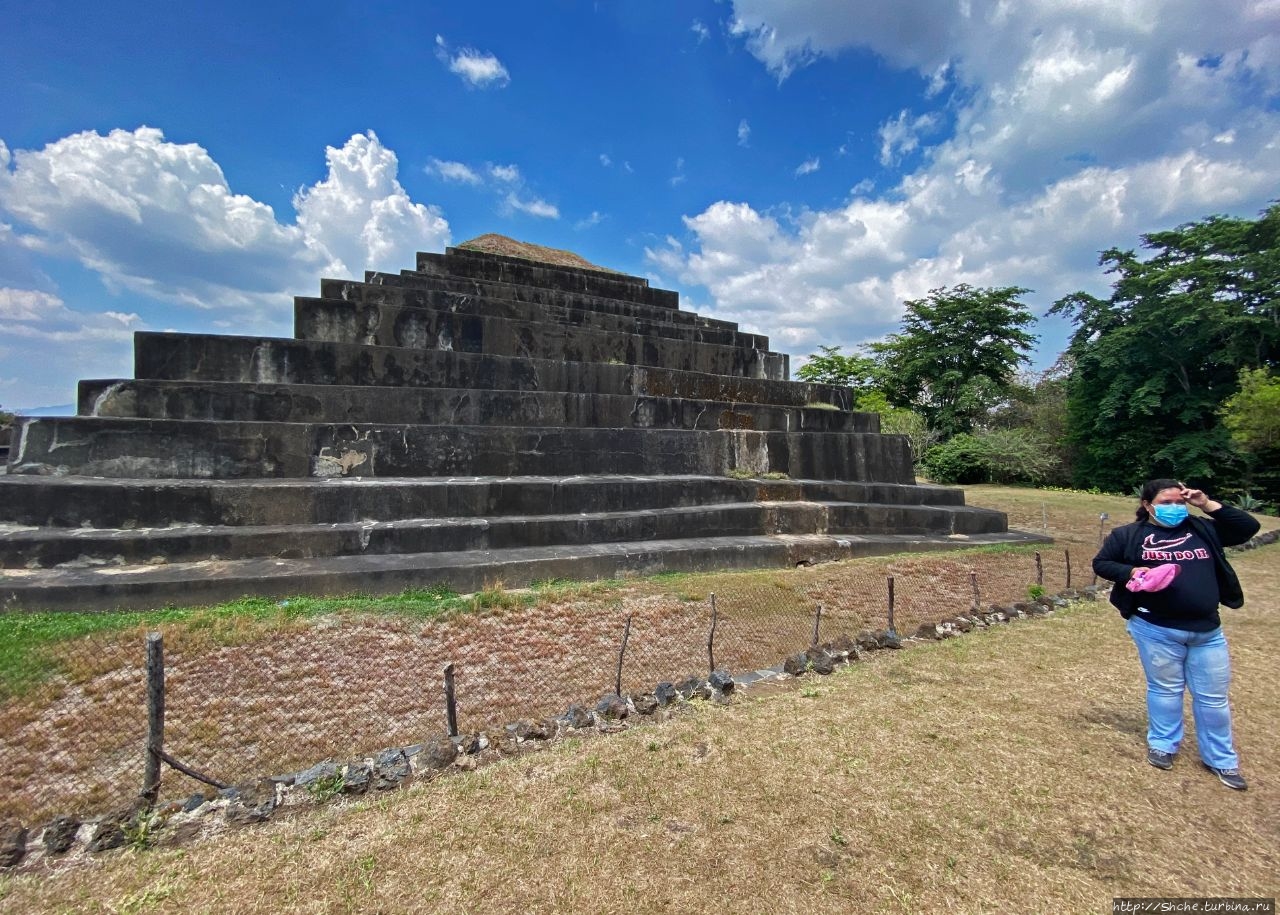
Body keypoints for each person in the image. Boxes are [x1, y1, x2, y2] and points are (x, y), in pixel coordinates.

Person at [1093, 479, 1260, 790]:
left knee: (1213, 699)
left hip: (1207, 630)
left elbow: (1247, 527)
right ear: (1147, 505)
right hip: (1155, 628)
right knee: (1165, 691)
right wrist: (1132, 572)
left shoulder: (1202, 529)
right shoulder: (1129, 536)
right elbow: (1102, 563)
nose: (1174, 507)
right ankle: (1163, 744)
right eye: (1166, 502)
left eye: (1178, 501)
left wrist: (1204, 502)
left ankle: (1221, 759)